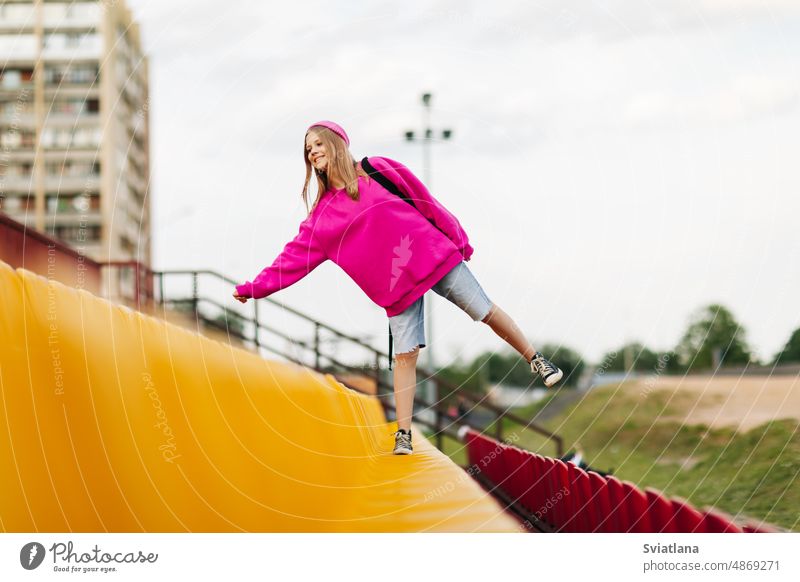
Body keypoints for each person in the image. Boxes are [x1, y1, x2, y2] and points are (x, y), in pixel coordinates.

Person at [232, 120, 563, 455]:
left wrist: (458, 238)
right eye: (307, 148)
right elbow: (291, 259)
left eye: (317, 143)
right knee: (405, 355)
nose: (312, 151)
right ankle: (403, 433)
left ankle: (535, 358)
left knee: (485, 311)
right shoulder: (322, 219)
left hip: (432, 255)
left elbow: (424, 200)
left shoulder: (377, 169)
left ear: (337, 143)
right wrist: (253, 288)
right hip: (395, 286)